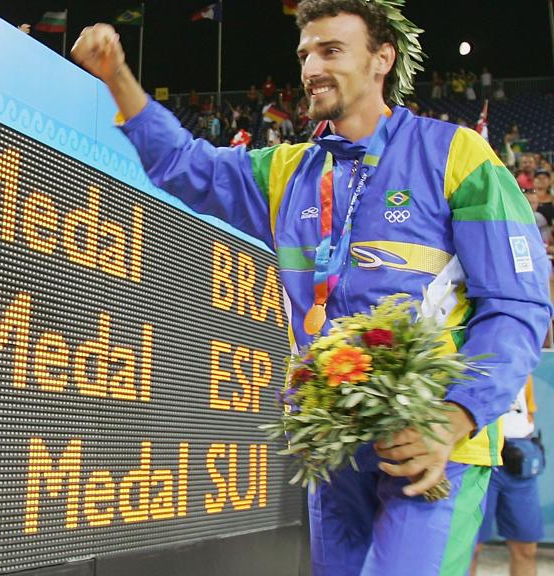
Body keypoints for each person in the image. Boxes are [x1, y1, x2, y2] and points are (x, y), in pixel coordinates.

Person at [69, 0, 552, 574]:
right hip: (333, 443)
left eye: (330, 50)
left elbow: (517, 304)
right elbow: (182, 166)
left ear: (381, 59)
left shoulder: (454, 154)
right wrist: (117, 76)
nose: (310, 68)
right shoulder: (286, 171)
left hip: (429, 438)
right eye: (304, 54)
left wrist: (456, 417)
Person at [470, 377, 543, 576]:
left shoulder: (524, 365)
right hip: (479, 456)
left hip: (520, 457)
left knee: (526, 547)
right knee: (469, 548)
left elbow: (529, 413)